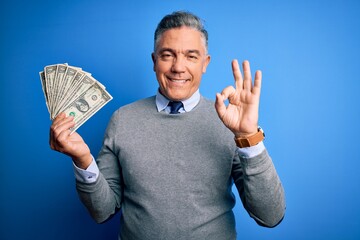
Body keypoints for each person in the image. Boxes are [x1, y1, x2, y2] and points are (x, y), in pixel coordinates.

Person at [50, 11, 285, 240]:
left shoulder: (230, 124)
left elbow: (270, 216)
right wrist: (83, 160)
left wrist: (248, 136)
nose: (178, 67)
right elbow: (102, 211)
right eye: (167, 55)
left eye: (191, 56)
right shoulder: (123, 119)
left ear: (205, 63)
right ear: (154, 61)